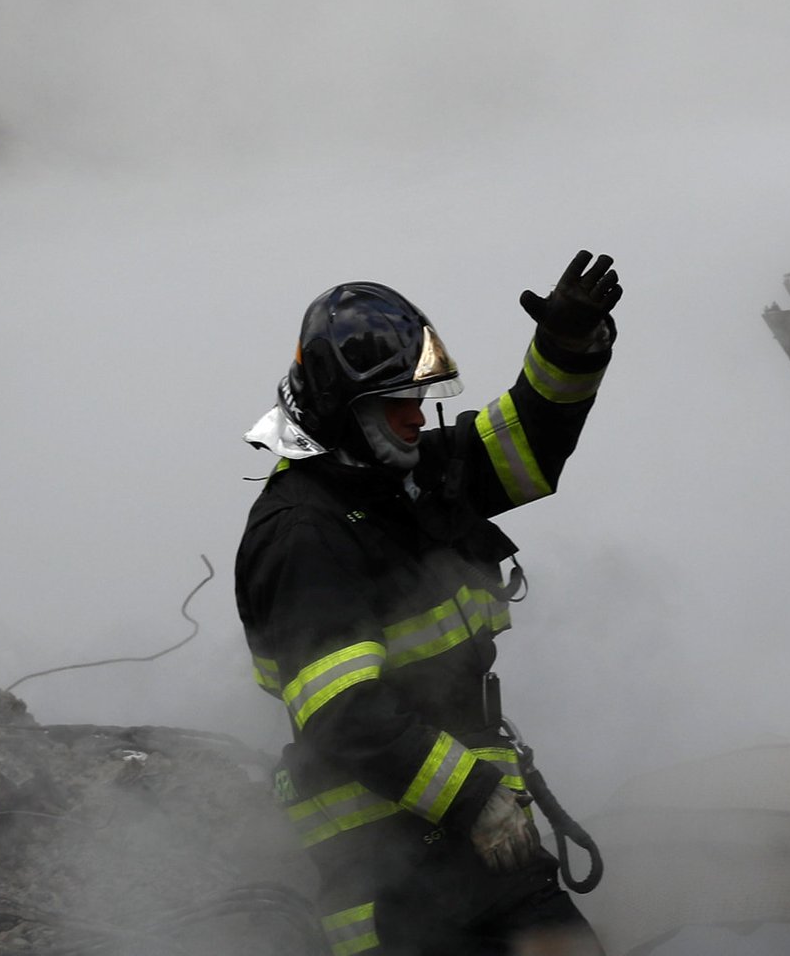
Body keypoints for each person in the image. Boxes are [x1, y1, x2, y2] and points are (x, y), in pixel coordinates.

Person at [236, 257, 621, 956]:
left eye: (421, 396)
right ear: (342, 408)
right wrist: (476, 799)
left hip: (483, 845)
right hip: (392, 874)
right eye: (395, 402)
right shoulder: (301, 532)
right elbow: (342, 712)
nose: (416, 417)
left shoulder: (409, 477)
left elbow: (530, 445)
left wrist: (568, 347)